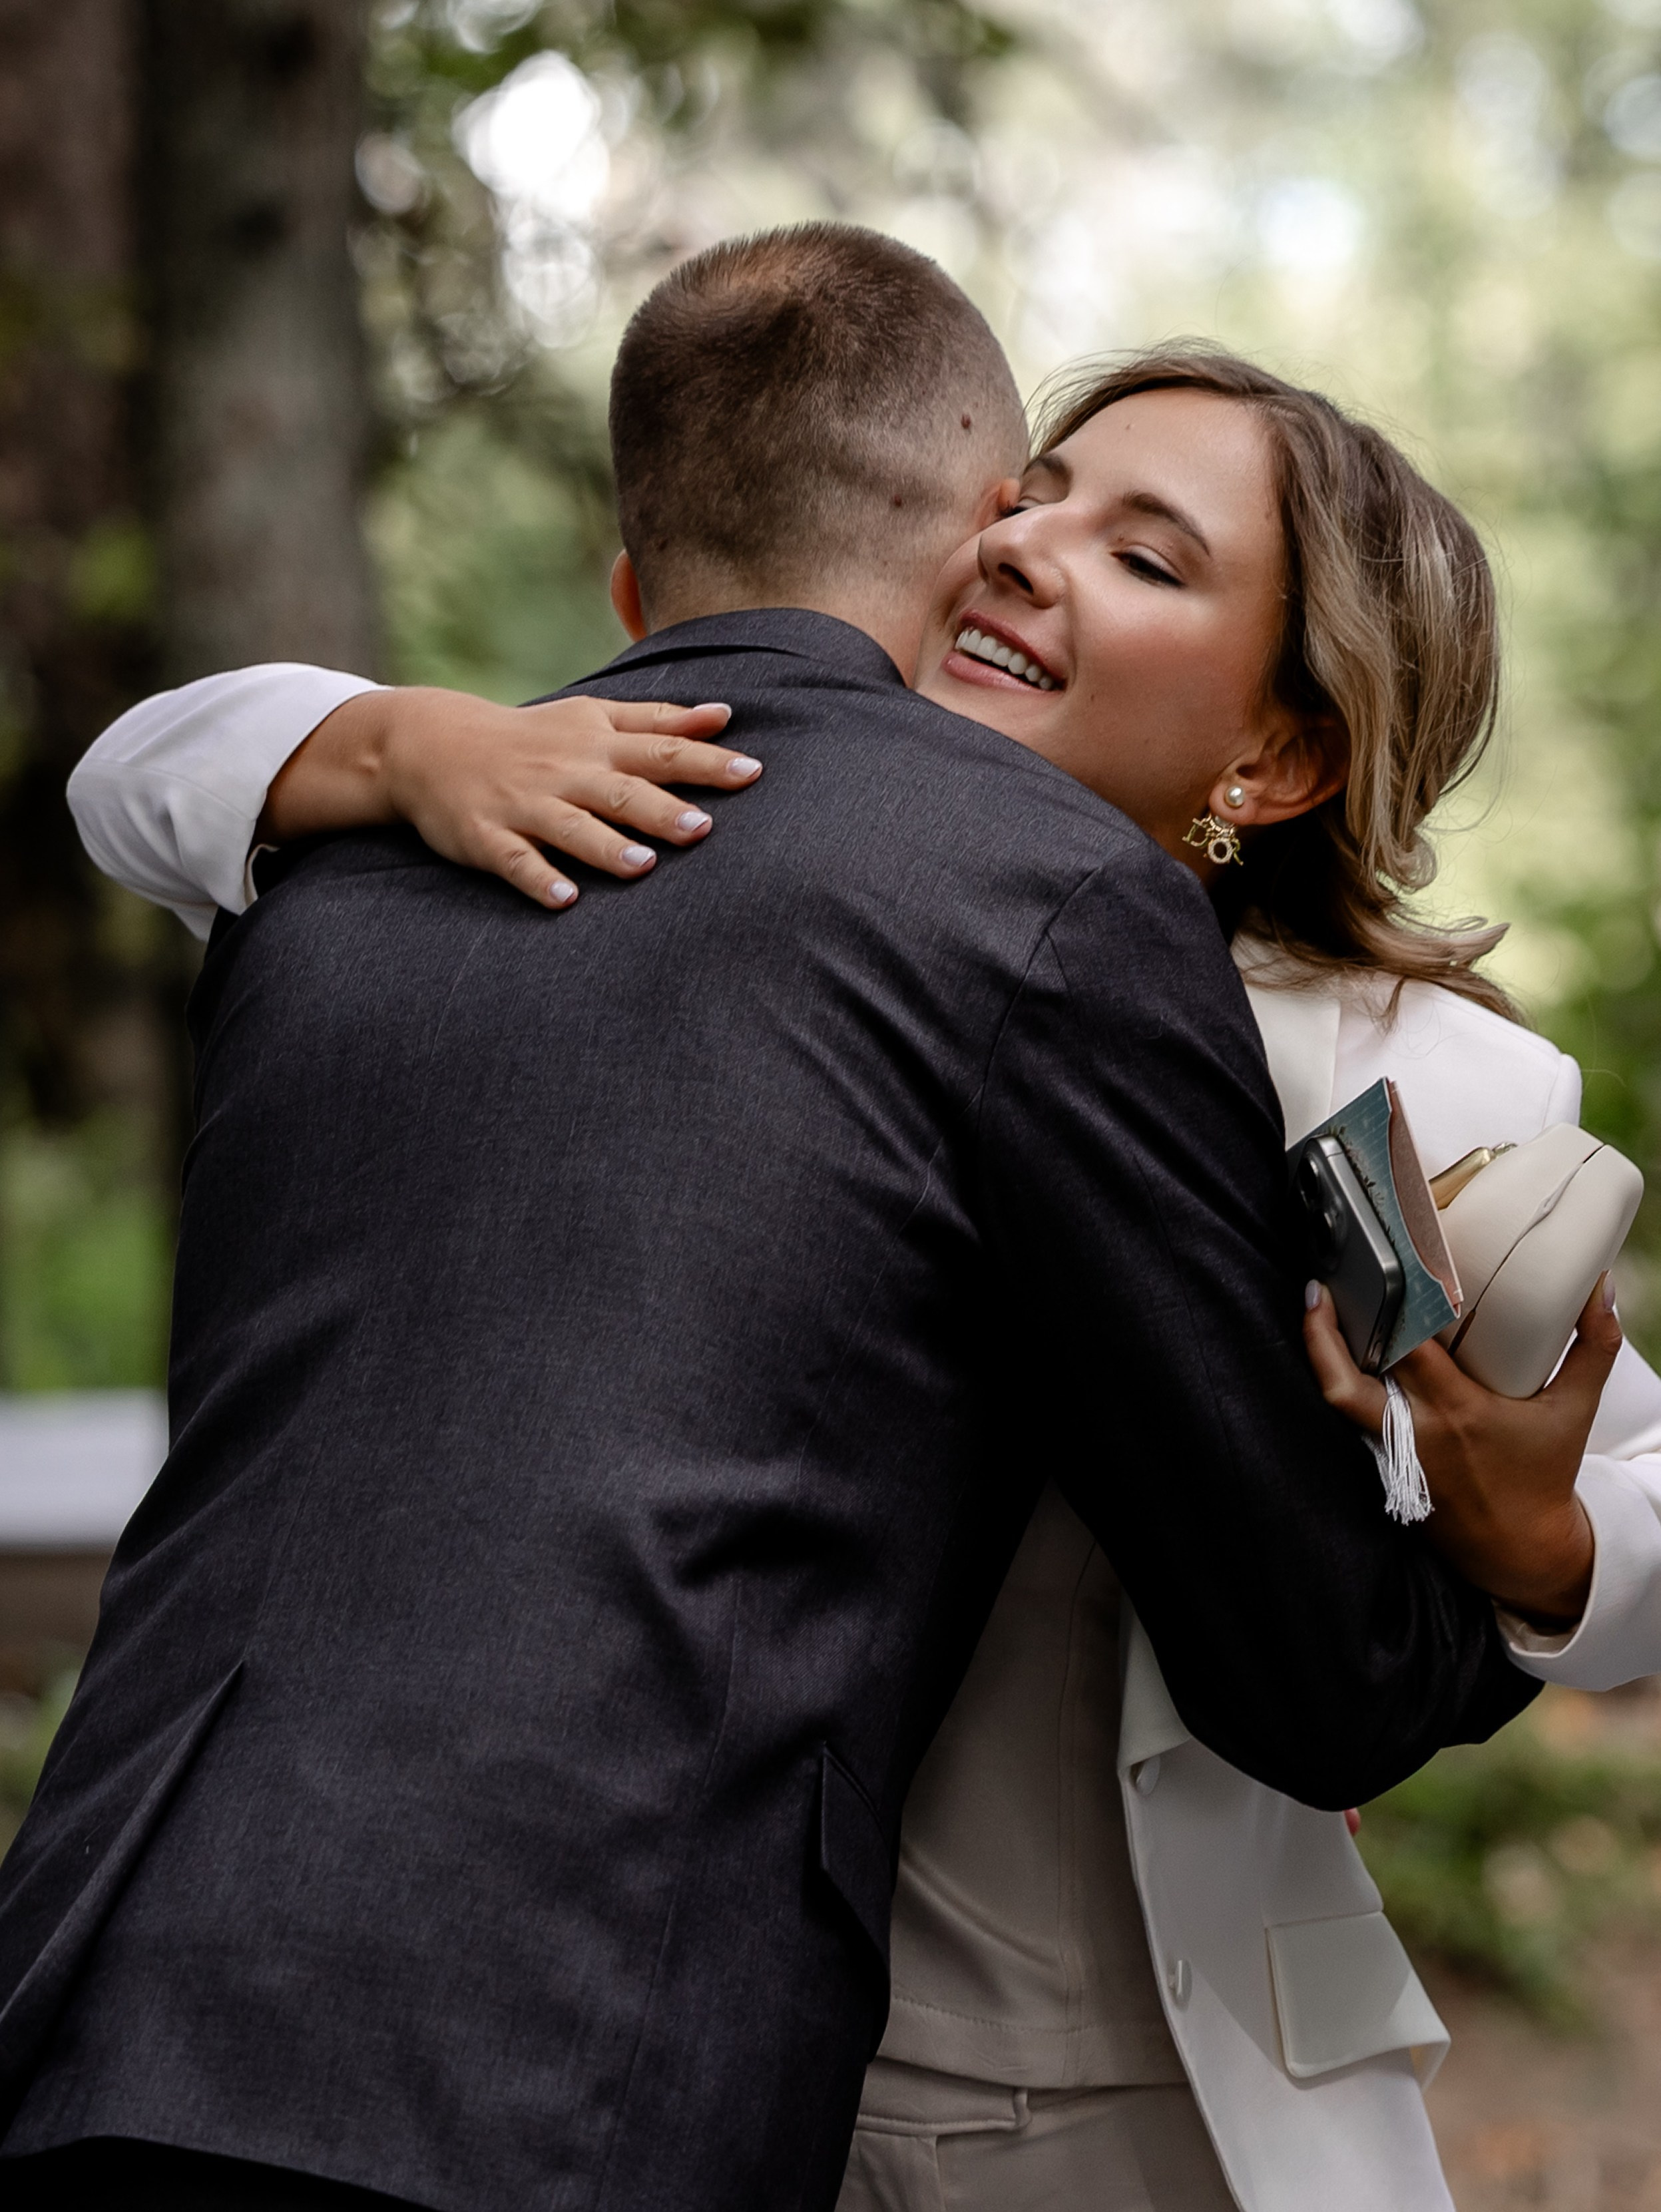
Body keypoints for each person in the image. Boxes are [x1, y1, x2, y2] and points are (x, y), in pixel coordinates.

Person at [0, 235, 1600, 2212]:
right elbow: (1320, 1676)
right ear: (939, 528)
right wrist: (1492, 1568)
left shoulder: (323, 881)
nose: (1029, 555)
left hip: (112, 2006)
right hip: (578, 2060)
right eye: (1024, 507)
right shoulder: (985, 894)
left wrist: (1546, 1545)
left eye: (1139, 552)